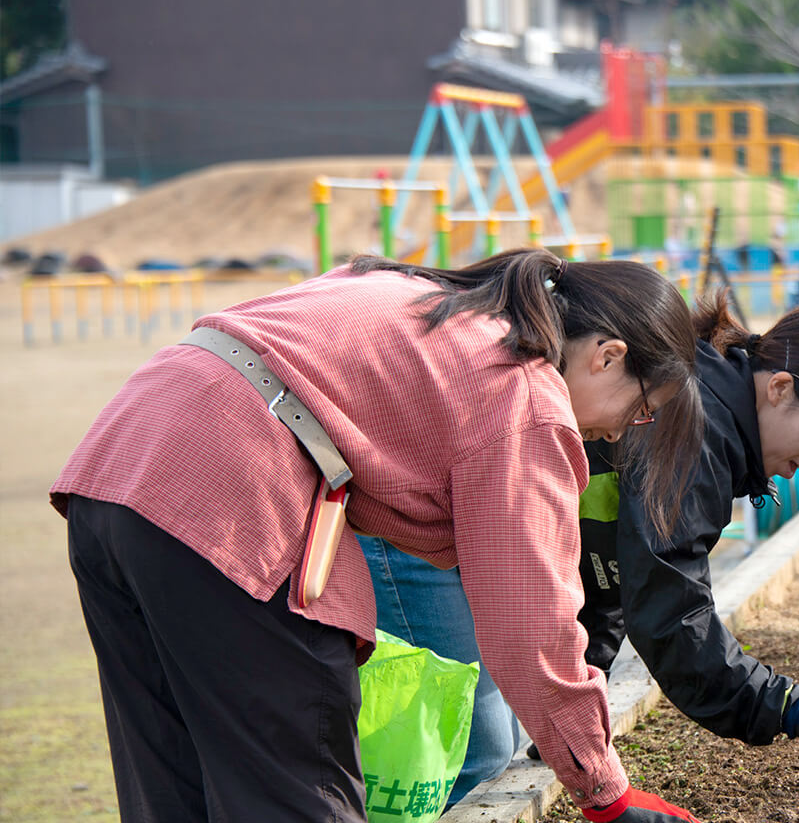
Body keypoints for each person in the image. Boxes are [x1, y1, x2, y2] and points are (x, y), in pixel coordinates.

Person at [54, 248, 707, 823]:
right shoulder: (522, 389)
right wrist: (606, 792)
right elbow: (529, 631)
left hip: (117, 470)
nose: (623, 433)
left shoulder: (423, 296)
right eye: (640, 408)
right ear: (607, 356)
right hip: (231, 494)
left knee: (174, 779)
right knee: (297, 789)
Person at [361, 293, 799, 800]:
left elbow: (605, 565)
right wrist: (780, 704)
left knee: (489, 736)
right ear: (781, 387)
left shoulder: (709, 408)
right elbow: (668, 610)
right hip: (419, 523)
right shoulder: (694, 428)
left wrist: (581, 706)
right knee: (474, 753)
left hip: (469, 537)